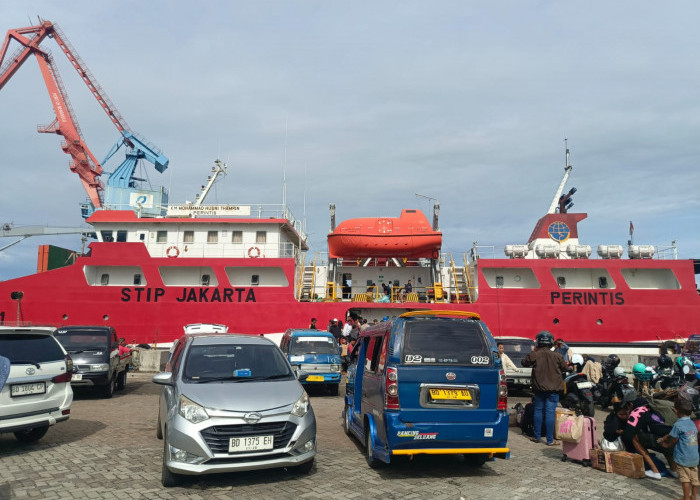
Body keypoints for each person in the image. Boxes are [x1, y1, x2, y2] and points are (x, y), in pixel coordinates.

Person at [521, 330, 567, 446]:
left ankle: (537, 437)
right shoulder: (557, 355)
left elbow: (524, 362)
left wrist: (533, 351)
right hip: (554, 390)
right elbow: (565, 368)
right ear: (551, 342)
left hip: (539, 390)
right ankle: (550, 440)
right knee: (550, 413)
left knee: (538, 411)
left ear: (538, 343)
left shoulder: (535, 355)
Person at [621, 397, 676, 480]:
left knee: (635, 438)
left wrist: (622, 433)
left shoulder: (637, 411)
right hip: (675, 441)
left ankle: (655, 471)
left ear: (631, 405)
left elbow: (628, 435)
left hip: (663, 441)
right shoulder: (654, 408)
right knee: (663, 435)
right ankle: (674, 470)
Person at [658, 398, 699, 498]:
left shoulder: (678, 424)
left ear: (675, 411)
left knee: (685, 479)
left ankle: (685, 498)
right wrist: (664, 438)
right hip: (694, 457)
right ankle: (693, 497)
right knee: (695, 479)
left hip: (683, 457)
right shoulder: (692, 423)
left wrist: (666, 445)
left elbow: (674, 439)